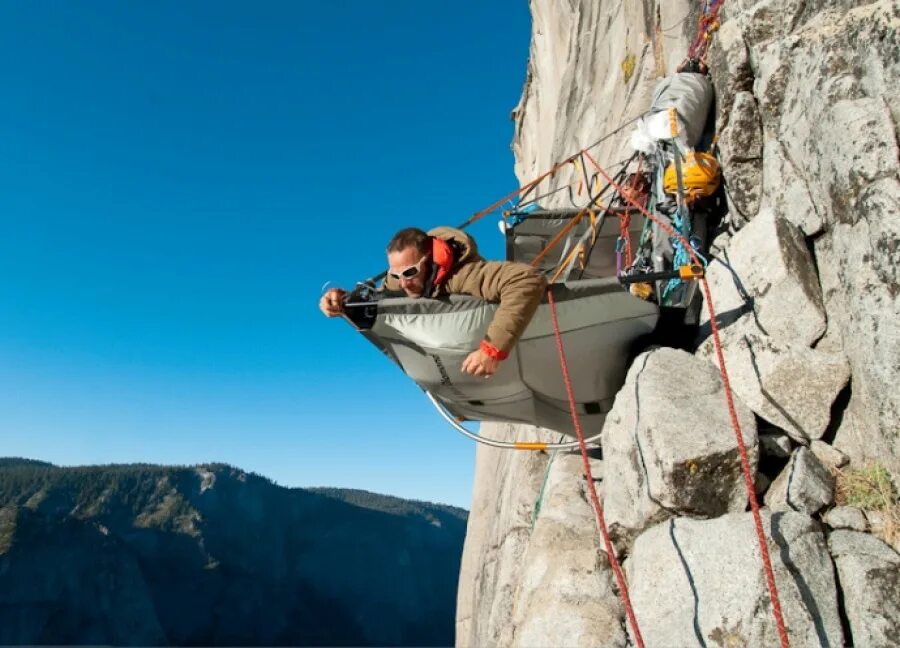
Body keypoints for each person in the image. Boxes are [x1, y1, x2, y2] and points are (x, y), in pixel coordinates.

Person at [320, 226, 547, 378]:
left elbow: (526, 279)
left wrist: (492, 349)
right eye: (396, 275)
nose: (403, 283)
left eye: (409, 272)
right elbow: (381, 293)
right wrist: (341, 299)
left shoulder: (466, 275)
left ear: (430, 260)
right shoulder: (402, 280)